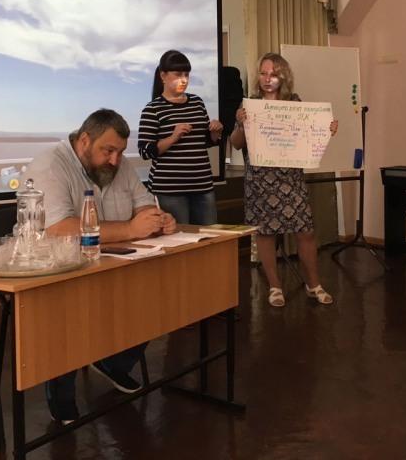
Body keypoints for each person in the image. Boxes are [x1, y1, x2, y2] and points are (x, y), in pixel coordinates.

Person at [24, 108, 176, 424]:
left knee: (161, 295)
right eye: (108, 151)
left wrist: (158, 220)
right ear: (84, 140)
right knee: (72, 312)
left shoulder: (118, 164)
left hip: (114, 263)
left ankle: (113, 363)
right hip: (61, 272)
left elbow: (144, 204)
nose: (115, 160)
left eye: (120, 152)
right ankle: (61, 389)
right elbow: (59, 230)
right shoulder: (50, 165)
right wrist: (131, 229)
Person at [230, 52, 338, 307]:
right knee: (265, 233)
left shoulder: (294, 102)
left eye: (274, 74)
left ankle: (314, 284)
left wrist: (327, 129)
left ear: (284, 77)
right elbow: (235, 143)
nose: (268, 79)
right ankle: (275, 287)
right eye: (263, 73)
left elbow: (310, 134)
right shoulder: (250, 104)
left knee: (305, 231)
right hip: (260, 180)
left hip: (291, 178)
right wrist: (240, 124)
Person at [137, 50, 223, 225]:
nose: (184, 79)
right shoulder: (153, 109)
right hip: (169, 190)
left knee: (210, 236)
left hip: (202, 186)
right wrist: (173, 137)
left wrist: (215, 133)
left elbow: (204, 142)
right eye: (178, 74)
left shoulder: (197, 102)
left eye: (186, 74)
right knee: (178, 237)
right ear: (163, 76)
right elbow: (145, 151)